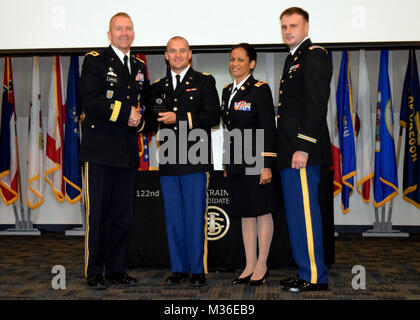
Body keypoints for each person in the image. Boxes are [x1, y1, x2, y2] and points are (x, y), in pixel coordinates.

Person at [79, 12, 154, 289]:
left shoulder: (138, 67)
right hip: (99, 152)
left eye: (128, 29)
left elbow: (145, 106)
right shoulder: (95, 61)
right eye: (118, 29)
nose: (124, 33)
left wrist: (141, 121)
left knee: (123, 216)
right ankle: (94, 271)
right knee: (98, 214)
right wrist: (127, 115)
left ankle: (116, 269)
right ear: (109, 34)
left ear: (133, 34)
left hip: (125, 152)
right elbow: (91, 101)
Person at [151, 36, 220, 286]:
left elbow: (213, 116)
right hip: (169, 157)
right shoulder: (157, 86)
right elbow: (151, 119)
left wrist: (178, 117)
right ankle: (178, 269)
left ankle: (197, 269)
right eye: (173, 51)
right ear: (166, 56)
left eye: (182, 51)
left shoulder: (204, 81)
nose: (178, 55)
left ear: (189, 54)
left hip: (195, 158)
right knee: (174, 219)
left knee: (195, 217)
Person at [276, 7, 332, 292]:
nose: (288, 31)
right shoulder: (293, 59)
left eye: (294, 26)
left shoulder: (314, 56)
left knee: (307, 216)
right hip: (289, 152)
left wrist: (303, 148)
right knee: (297, 216)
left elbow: (315, 105)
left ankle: (314, 276)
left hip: (301, 153)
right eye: (284, 26)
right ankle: (304, 270)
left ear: (306, 27)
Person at [221, 43, 277, 286]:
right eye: (233, 59)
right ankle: (249, 264)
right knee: (245, 213)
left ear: (251, 63)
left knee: (261, 212)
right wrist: (225, 160)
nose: (235, 63)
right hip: (235, 161)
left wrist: (267, 164)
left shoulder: (260, 90)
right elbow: (228, 130)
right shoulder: (226, 91)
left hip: (256, 159)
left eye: (241, 60)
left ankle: (262, 265)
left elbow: (268, 128)